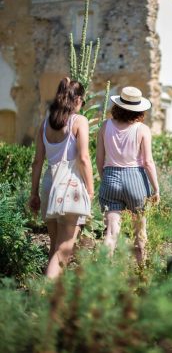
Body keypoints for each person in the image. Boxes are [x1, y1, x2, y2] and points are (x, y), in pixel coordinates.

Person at [28, 77, 94, 279]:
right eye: (82, 101)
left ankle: (51, 300)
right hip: (70, 186)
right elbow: (83, 158)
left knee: (54, 248)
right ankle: (46, 297)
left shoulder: (45, 124)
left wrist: (34, 193)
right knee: (64, 249)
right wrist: (90, 191)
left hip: (50, 185)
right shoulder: (79, 121)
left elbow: (37, 161)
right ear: (78, 99)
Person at [96, 86, 160, 265]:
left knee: (111, 233)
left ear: (118, 106)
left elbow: (99, 159)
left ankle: (104, 275)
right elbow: (148, 162)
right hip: (136, 180)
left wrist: (105, 178)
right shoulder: (142, 129)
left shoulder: (105, 126)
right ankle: (142, 275)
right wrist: (156, 189)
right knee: (140, 232)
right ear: (139, 109)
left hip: (110, 177)